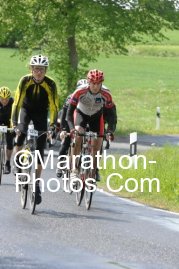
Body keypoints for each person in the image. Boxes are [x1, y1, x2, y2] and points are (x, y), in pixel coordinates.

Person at [11, 54, 59, 204]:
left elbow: (54, 106)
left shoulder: (51, 84)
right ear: (31, 69)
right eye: (36, 69)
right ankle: (17, 163)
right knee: (20, 134)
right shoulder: (25, 80)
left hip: (41, 114)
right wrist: (14, 122)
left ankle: (36, 183)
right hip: (26, 109)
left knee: (39, 151)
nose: (39, 72)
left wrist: (52, 125)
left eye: (42, 69)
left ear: (45, 70)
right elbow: (17, 102)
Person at [66, 69, 116, 180]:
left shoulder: (106, 94)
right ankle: (74, 169)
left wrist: (110, 131)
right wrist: (71, 128)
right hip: (81, 114)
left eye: (98, 83)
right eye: (93, 83)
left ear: (101, 83)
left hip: (96, 117)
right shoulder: (80, 92)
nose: (95, 86)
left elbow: (112, 115)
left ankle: (94, 170)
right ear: (89, 82)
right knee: (79, 134)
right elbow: (69, 113)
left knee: (97, 144)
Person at [56, 79, 88, 178]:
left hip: (82, 121)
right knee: (66, 142)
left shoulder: (88, 99)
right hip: (68, 119)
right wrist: (64, 130)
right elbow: (65, 115)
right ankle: (61, 163)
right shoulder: (71, 98)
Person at [0, 87, 14, 174]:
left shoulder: (13, 103)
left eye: (6, 99)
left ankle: (8, 163)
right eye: (2, 99)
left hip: (10, 123)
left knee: (10, 142)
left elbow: (16, 115)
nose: (4, 101)